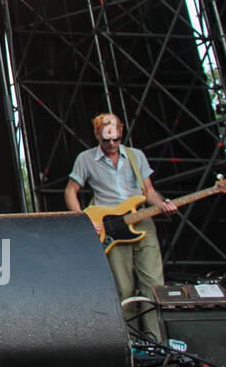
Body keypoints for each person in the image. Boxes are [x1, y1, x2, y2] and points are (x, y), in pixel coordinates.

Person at [64, 112, 178, 341]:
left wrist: (163, 204)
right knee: (123, 290)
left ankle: (157, 343)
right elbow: (70, 192)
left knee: (154, 288)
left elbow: (149, 192)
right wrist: (84, 221)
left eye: (116, 138)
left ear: (121, 132)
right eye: (107, 140)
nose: (112, 144)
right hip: (112, 228)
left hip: (142, 224)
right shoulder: (85, 159)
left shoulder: (136, 156)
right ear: (97, 135)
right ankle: (132, 344)